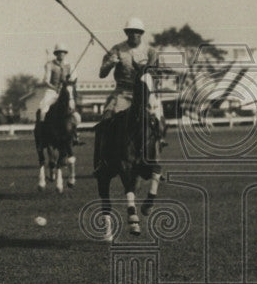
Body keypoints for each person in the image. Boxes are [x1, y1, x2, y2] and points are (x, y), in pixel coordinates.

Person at [94, 17, 164, 173]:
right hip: (122, 93)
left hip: (144, 93)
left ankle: (156, 156)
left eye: (137, 32)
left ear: (141, 33)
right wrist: (110, 63)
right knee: (107, 118)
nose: (134, 35)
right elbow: (102, 74)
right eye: (131, 32)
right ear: (126, 33)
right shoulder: (117, 49)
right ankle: (102, 160)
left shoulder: (151, 52)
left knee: (157, 121)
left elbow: (157, 74)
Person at [38, 43, 81, 144]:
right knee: (43, 109)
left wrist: (70, 79)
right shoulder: (50, 65)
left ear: (65, 54)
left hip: (65, 91)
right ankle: (42, 132)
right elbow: (46, 81)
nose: (61, 54)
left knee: (76, 114)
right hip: (52, 91)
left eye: (63, 53)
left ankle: (75, 133)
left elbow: (74, 79)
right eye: (59, 53)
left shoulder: (70, 65)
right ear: (56, 54)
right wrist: (55, 88)